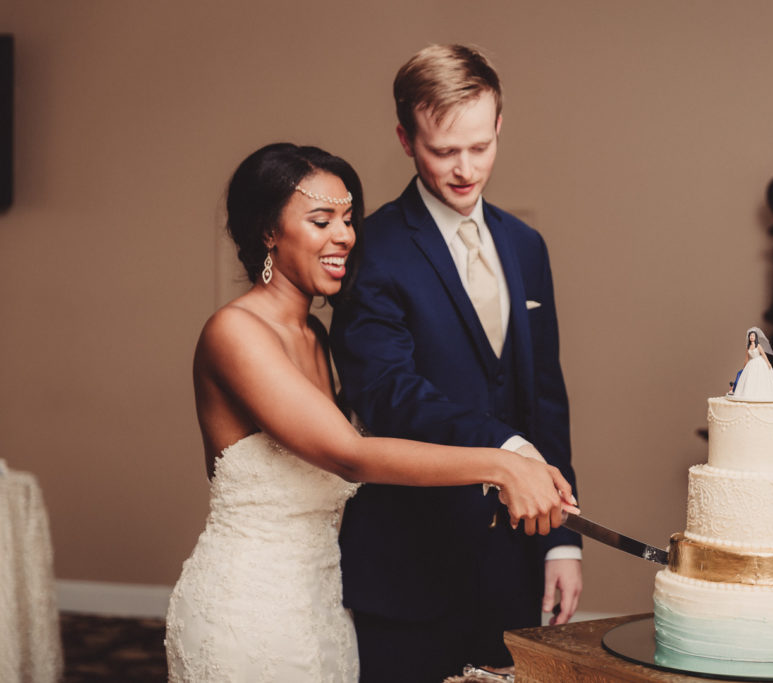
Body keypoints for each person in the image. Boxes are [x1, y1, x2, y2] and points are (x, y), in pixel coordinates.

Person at [164, 143, 575, 682]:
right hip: (249, 614)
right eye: (321, 219)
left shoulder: (314, 332)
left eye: (348, 218)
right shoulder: (235, 333)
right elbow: (350, 455)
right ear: (268, 231)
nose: (344, 236)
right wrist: (502, 464)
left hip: (324, 609)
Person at [330, 45, 582, 681]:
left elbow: (546, 398)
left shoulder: (527, 247)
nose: (466, 168)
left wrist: (561, 541)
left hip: (514, 565)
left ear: (499, 124)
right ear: (406, 140)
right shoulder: (374, 248)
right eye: (444, 151)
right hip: (409, 565)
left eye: (480, 145)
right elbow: (388, 393)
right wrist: (506, 448)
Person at [729, 327, 773, 401]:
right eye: (751, 336)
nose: (752, 337)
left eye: (753, 336)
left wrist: (768, 363)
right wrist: (744, 367)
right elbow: (746, 358)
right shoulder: (748, 347)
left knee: (760, 378)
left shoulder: (758, 346)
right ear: (749, 337)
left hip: (759, 362)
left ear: (755, 337)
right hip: (751, 363)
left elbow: (763, 355)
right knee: (750, 379)